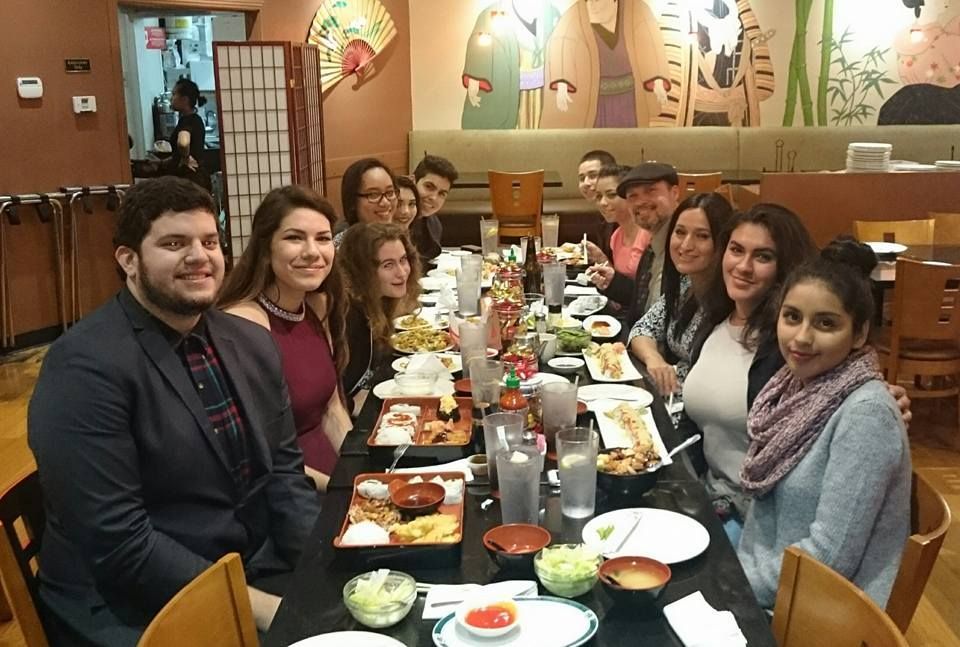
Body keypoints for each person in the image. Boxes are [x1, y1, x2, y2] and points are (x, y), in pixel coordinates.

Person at [28, 177, 319, 645]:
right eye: (173, 243)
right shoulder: (83, 368)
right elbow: (120, 543)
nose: (200, 256)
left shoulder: (247, 341)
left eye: (209, 241)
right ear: (129, 260)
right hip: (133, 604)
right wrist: (270, 610)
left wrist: (320, 571)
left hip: (248, 562)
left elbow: (285, 472)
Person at [680, 204, 912, 544]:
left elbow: (844, 393)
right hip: (714, 497)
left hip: (754, 520)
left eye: (762, 256)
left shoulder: (792, 352)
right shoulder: (717, 319)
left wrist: (885, 402)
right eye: (736, 250)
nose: (743, 266)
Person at [737, 237, 911, 610]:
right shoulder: (794, 386)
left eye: (826, 323)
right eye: (792, 317)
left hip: (813, 613)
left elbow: (830, 557)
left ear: (859, 333)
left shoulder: (866, 415)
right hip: (764, 578)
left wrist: (732, 585)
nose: (802, 337)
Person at [219, 186, 352, 492]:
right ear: (266, 249)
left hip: (335, 478)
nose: (312, 251)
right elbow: (257, 453)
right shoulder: (245, 324)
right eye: (294, 238)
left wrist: (360, 469)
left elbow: (332, 409)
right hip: (288, 491)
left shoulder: (316, 306)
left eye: (322, 238)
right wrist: (339, 489)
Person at [629, 192, 734, 396]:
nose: (686, 245)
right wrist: (654, 359)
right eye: (680, 232)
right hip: (668, 396)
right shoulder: (685, 284)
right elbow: (642, 329)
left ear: (723, 242)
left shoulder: (732, 299)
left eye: (702, 236)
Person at [540, 0, 672, 128]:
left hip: (629, 100)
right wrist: (562, 83)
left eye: (596, 1)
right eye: (588, 1)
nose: (591, 6)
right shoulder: (577, 15)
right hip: (596, 102)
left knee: (630, 144)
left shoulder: (635, 10)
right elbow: (562, 41)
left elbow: (650, 38)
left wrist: (657, 80)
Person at [588, 162, 680, 326]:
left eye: (650, 191)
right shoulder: (648, 245)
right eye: (633, 196)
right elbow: (643, 301)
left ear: (674, 193)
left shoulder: (675, 244)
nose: (641, 201)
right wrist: (612, 280)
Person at [338, 223, 422, 402]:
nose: (402, 273)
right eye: (388, 265)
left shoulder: (379, 302)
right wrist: (354, 405)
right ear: (362, 271)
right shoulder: (349, 316)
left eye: (403, 260)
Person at [461, 1, 562, 129]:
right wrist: (475, 78)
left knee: (539, 128)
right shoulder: (492, 14)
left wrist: (561, 82)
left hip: (541, 89)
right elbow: (480, 42)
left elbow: (562, 47)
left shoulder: (551, 13)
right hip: (508, 85)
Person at [132, 78, 211, 191]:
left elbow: (183, 143)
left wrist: (186, 158)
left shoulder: (188, 121)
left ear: (184, 100)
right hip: (194, 180)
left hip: (190, 181)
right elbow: (179, 153)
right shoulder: (193, 119)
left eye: (174, 94)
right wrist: (162, 162)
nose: (171, 98)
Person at [335, 158, 397, 246]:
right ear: (353, 201)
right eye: (374, 195)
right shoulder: (342, 249)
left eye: (390, 192)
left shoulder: (401, 241)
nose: (385, 202)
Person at [412, 154, 459, 260]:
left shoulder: (434, 225)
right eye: (429, 187)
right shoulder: (395, 224)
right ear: (413, 181)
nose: (434, 198)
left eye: (442, 193)